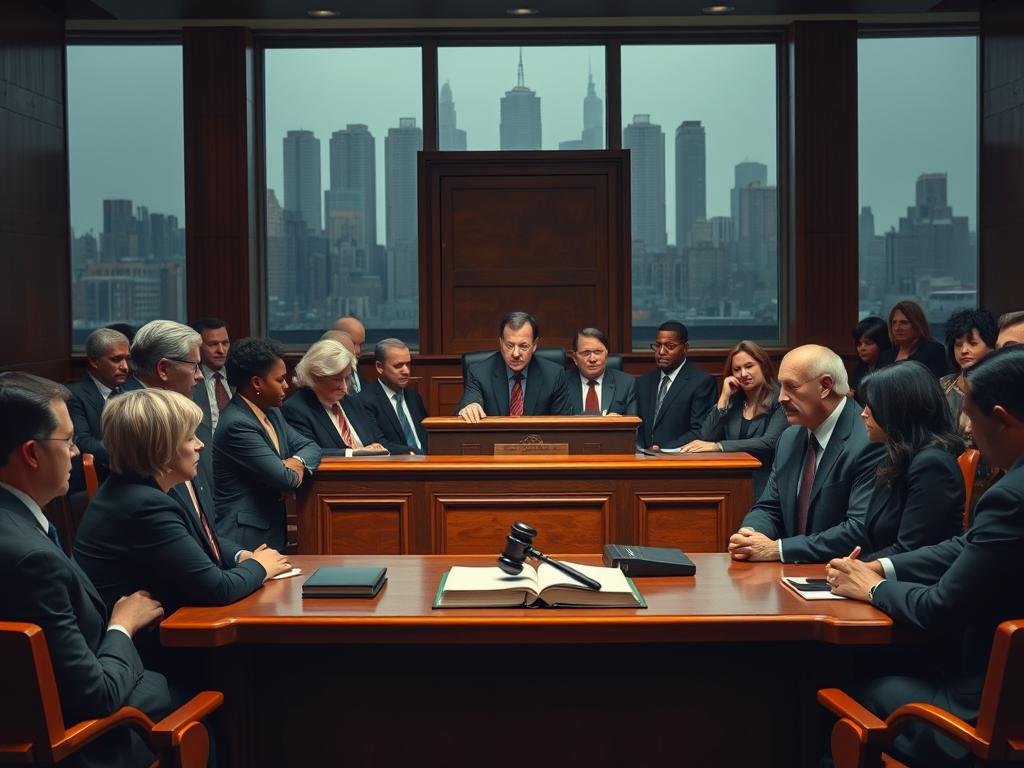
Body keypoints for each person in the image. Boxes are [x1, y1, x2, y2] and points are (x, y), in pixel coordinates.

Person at [827, 346, 1024, 767]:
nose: (966, 428)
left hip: (985, 716)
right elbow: (971, 544)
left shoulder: (1011, 496)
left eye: (971, 414)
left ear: (1003, 420)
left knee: (843, 684)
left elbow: (939, 607)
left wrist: (875, 588)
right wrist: (885, 565)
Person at [0, 372, 172, 768]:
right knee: (206, 706)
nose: (77, 452)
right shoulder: (31, 560)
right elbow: (96, 695)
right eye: (68, 440)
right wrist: (122, 626)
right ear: (31, 453)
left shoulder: (22, 526)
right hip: (82, 745)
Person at [74, 388, 290, 676]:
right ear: (160, 448)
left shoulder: (139, 490)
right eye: (190, 437)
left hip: (159, 640)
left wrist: (242, 558)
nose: (200, 445)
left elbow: (198, 545)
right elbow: (218, 589)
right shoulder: (144, 505)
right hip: (150, 660)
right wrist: (260, 566)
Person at [728, 344, 885, 563]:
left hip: (843, 575)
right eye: (781, 387)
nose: (781, 397)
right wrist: (751, 535)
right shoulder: (790, 437)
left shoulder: (870, 439)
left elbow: (858, 529)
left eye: (791, 387)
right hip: (790, 577)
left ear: (825, 386)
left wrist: (778, 549)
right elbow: (769, 506)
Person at [213, 337, 322, 550]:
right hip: (245, 539)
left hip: (270, 531)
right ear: (257, 383)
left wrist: (295, 461)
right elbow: (286, 480)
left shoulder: (272, 412)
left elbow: (311, 446)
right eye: (280, 380)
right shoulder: (237, 424)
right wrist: (288, 472)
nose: (286, 385)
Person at [855, 362, 965, 559]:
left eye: (871, 406)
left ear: (898, 409)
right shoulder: (899, 455)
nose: (863, 413)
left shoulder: (932, 465)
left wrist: (857, 568)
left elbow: (912, 550)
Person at [682, 340, 787, 499]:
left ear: (763, 366)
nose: (743, 374)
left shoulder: (779, 399)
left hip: (768, 486)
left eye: (749, 366)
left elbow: (769, 442)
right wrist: (724, 398)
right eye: (737, 369)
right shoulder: (735, 401)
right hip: (732, 485)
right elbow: (705, 437)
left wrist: (719, 446)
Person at [132, 319, 217, 511]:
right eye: (194, 366)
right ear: (163, 369)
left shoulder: (175, 406)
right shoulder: (136, 419)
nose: (200, 376)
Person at [282, 339, 397, 455]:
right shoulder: (296, 410)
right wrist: (353, 453)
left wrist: (375, 447)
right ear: (315, 377)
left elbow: (373, 439)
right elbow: (308, 453)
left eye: (347, 378)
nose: (344, 388)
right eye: (336, 379)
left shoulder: (352, 400)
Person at [457, 311, 572, 422]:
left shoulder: (554, 375)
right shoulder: (479, 372)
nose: (515, 354)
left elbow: (562, 425)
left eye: (523, 346)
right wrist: (470, 407)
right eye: (509, 345)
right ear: (501, 343)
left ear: (535, 345)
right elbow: (468, 403)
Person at [67, 327, 141, 492]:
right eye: (116, 359)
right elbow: (83, 442)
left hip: (133, 478)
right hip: (98, 482)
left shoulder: (131, 392)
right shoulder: (74, 395)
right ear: (94, 361)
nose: (125, 367)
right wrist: (132, 456)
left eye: (127, 359)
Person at [636, 321, 716, 451]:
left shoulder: (701, 382)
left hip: (680, 458)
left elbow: (700, 430)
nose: (661, 352)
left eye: (670, 346)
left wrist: (663, 450)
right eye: (657, 345)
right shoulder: (644, 381)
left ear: (685, 348)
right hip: (644, 457)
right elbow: (638, 424)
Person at [359, 338, 429, 453]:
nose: (406, 371)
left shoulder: (413, 397)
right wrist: (413, 455)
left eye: (408, 364)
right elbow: (380, 445)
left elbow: (427, 436)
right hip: (396, 466)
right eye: (398, 366)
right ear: (379, 367)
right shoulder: (366, 401)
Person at [566, 327, 637, 416]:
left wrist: (620, 422)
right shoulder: (562, 383)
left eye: (597, 352)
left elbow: (634, 425)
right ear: (575, 358)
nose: (592, 359)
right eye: (586, 353)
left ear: (606, 355)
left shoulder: (626, 383)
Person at [876, 299, 949, 378]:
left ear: (917, 325)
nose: (897, 328)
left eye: (904, 323)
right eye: (894, 323)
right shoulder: (885, 356)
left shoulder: (934, 350)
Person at [190, 316, 233, 431]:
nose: (221, 350)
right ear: (198, 347)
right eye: (213, 344)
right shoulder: (190, 378)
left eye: (225, 343)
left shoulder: (238, 375)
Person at [849, 316, 892, 396]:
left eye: (868, 343)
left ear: (881, 344)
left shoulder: (890, 370)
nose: (862, 348)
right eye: (859, 344)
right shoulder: (861, 367)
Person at [332, 316, 366, 393]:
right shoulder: (324, 377)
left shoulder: (358, 372)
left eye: (361, 345)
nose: (358, 351)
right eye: (352, 343)